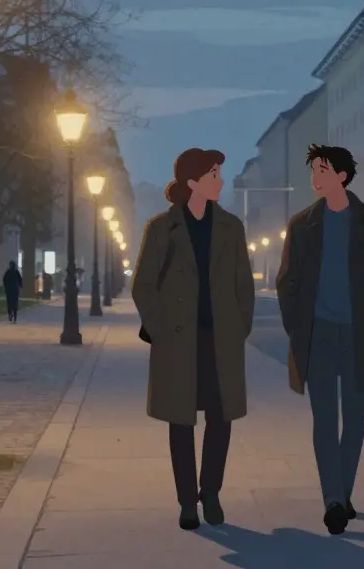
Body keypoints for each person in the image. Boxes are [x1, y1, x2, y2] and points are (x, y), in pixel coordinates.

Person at [276, 144, 364, 536]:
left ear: (342, 176)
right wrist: (297, 326)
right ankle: (333, 499)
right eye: (313, 171)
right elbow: (288, 282)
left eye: (322, 170)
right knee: (323, 420)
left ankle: (342, 492)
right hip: (318, 334)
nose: (315, 178)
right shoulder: (302, 225)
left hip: (360, 334)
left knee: (354, 419)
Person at [131, 148, 255, 531]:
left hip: (220, 341)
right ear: (193, 182)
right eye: (214, 174)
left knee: (221, 418)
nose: (221, 181)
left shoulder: (232, 227)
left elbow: (243, 285)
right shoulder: (160, 227)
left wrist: (239, 326)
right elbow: (143, 286)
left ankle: (211, 492)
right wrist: (162, 330)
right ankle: (187, 501)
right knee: (181, 423)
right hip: (178, 342)